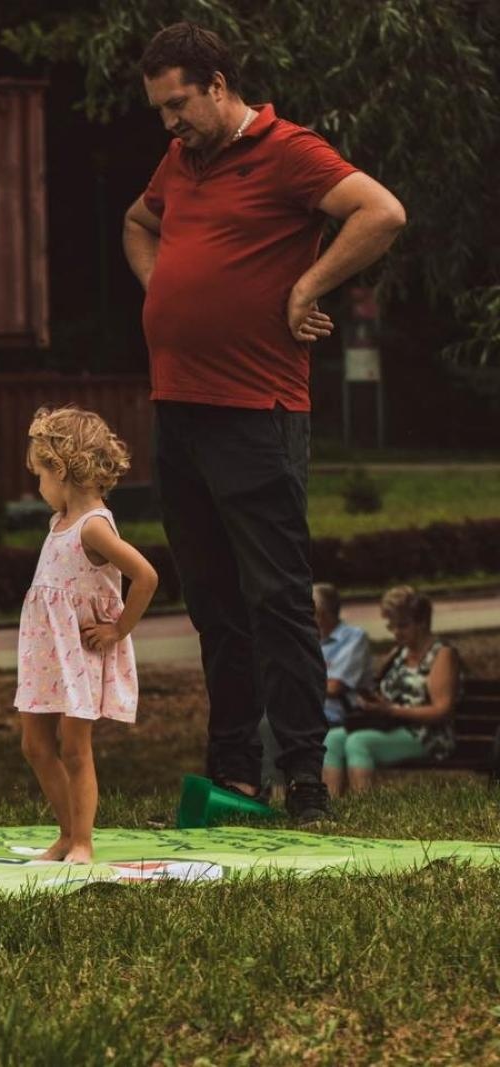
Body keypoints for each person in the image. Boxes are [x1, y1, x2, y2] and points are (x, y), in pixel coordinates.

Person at [122, 22, 406, 824]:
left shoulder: (288, 150)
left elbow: (381, 212)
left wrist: (305, 288)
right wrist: (161, 290)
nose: (169, 122)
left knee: (276, 599)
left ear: (218, 85)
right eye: (159, 109)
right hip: (178, 409)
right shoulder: (182, 160)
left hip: (257, 411)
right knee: (211, 600)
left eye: (179, 103)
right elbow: (138, 223)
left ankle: (305, 779)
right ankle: (233, 774)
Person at [15, 407, 158, 864]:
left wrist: (118, 629)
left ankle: (83, 841)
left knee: (75, 747)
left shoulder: (93, 526)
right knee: (34, 745)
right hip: (45, 653)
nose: (37, 487)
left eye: (39, 475)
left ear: (59, 470)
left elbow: (146, 575)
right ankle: (65, 832)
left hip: (77, 652)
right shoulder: (58, 522)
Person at [323, 586, 460, 796]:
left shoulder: (442, 654)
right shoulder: (399, 652)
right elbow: (380, 688)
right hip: (390, 727)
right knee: (332, 739)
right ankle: (329, 807)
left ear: (422, 622)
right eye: (391, 626)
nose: (396, 632)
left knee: (359, 742)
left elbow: (442, 710)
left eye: (403, 626)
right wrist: (372, 702)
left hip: (428, 736)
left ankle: (365, 811)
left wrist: (392, 710)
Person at [259, 582, 371, 792]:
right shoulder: (306, 638)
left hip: (336, 716)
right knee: (266, 721)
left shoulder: (353, 638)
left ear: (322, 614)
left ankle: (309, 792)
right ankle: (275, 792)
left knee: (278, 724)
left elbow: (336, 686)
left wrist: (300, 683)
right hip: (303, 711)